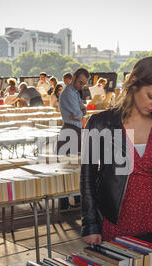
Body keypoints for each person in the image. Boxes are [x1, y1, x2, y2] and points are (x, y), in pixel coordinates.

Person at [81, 56, 152, 244]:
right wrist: (90, 225)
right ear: (134, 84)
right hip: (116, 223)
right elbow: (87, 176)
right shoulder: (99, 123)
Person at [58, 68, 90, 210]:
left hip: (76, 129)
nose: (81, 86)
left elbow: (83, 111)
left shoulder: (75, 93)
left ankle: (76, 200)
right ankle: (64, 204)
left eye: (83, 84)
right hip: (70, 129)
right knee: (67, 168)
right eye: (80, 82)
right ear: (74, 77)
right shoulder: (67, 93)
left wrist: (79, 112)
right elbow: (79, 113)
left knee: (76, 166)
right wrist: (79, 112)